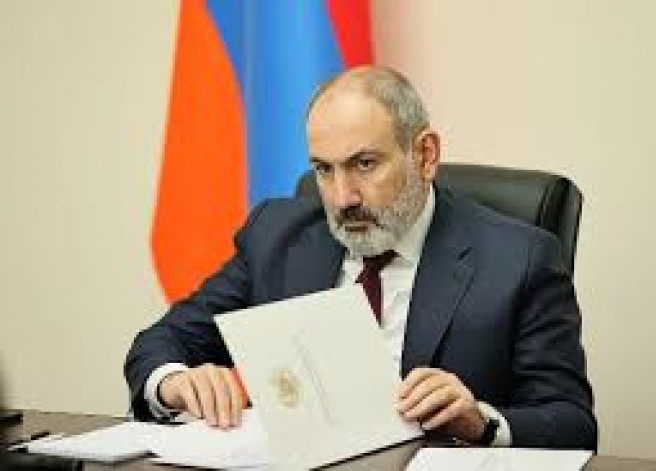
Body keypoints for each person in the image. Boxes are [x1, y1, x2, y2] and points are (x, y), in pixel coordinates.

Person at [125, 66, 597, 449]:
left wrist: (482, 422)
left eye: (364, 164)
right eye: (323, 169)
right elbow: (162, 342)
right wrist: (174, 383)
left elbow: (571, 422)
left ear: (425, 155)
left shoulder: (520, 259)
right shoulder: (277, 236)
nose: (342, 197)